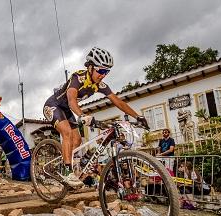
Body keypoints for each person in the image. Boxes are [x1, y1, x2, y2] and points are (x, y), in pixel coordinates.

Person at [42, 47, 149, 188]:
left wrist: (138, 116)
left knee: (78, 140)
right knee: (67, 132)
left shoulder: (99, 85)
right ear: (91, 67)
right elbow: (71, 99)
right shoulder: (78, 78)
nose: (103, 75)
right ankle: (67, 170)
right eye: (101, 70)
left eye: (107, 71)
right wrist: (82, 115)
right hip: (53, 105)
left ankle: (63, 162)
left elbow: (118, 101)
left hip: (66, 109)